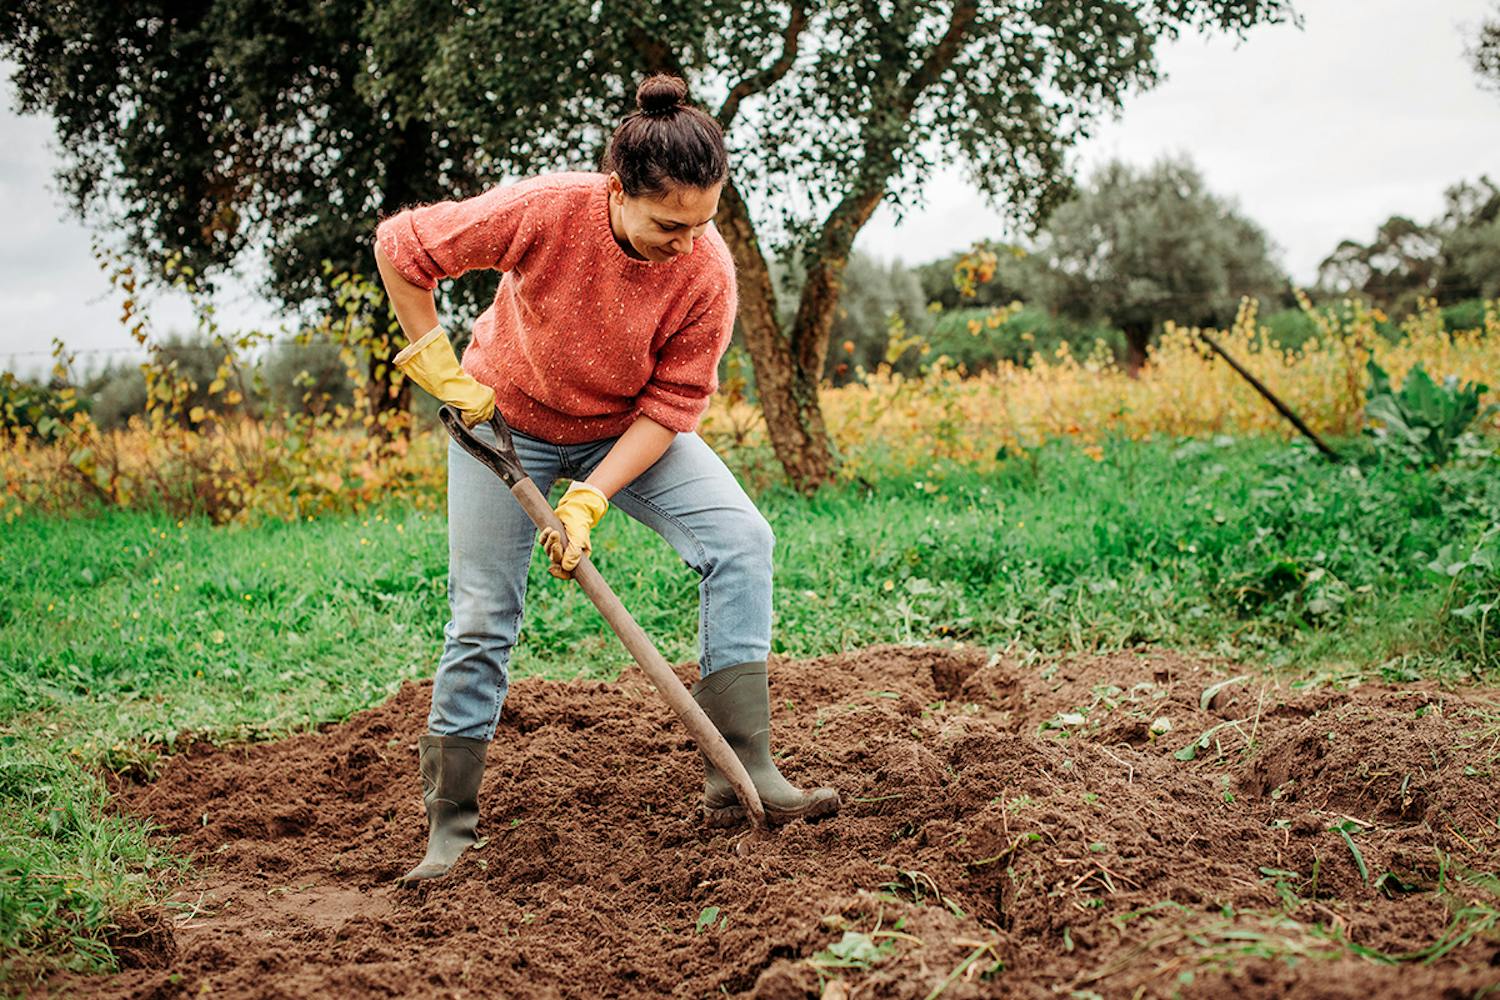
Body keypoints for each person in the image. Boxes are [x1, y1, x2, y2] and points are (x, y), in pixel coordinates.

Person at [373, 73, 840, 885]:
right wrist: (440, 368)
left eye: (705, 222)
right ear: (618, 191)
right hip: (501, 427)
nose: (688, 243)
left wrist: (591, 495)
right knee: (483, 613)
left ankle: (743, 770)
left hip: (623, 431)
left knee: (741, 540)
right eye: (669, 223)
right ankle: (449, 826)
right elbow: (403, 247)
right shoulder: (551, 208)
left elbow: (671, 405)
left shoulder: (708, 273)